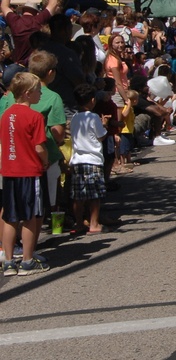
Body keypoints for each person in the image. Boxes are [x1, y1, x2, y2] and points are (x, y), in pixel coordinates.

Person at [0, 51, 67, 216]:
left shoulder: (10, 96)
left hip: (10, 155)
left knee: (9, 205)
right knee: (41, 202)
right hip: (42, 155)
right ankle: (53, 220)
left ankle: (5, 240)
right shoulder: (53, 97)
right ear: (50, 73)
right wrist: (60, 143)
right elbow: (57, 131)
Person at [0, 72, 50, 276]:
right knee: (31, 216)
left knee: (11, 216)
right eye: (38, 90)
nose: (40, 94)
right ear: (28, 94)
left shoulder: (6, 115)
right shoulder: (35, 116)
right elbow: (39, 147)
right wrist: (45, 161)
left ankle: (9, 261)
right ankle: (28, 260)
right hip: (30, 170)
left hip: (10, 170)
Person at [68, 84, 107, 235]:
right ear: (92, 100)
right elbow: (101, 135)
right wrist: (105, 125)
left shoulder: (74, 118)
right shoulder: (94, 117)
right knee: (94, 195)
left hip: (77, 159)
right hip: (93, 159)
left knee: (78, 195)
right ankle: (94, 223)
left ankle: (79, 223)